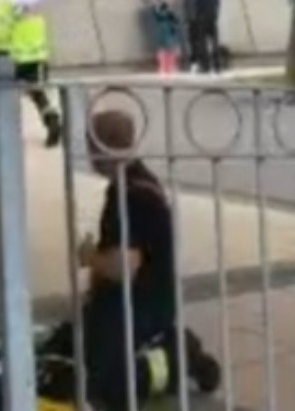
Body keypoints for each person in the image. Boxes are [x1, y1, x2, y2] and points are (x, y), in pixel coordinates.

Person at [36, 109, 220, 409]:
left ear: (105, 147)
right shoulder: (132, 184)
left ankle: (180, 355)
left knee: (109, 385)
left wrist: (89, 257)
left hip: (141, 306)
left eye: (92, 146)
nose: (90, 156)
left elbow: (123, 266)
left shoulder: (132, 194)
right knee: (66, 346)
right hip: (127, 301)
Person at [0, 0, 62, 147]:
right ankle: (52, 121)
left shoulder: (4, 0)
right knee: (39, 94)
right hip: (37, 53)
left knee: (4, 97)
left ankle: (7, 136)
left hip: (13, 56)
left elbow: (1, 29)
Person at [185, 0, 221, 74]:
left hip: (202, 19)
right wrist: (214, 14)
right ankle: (217, 65)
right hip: (212, 18)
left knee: (203, 43)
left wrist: (196, 17)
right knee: (214, 42)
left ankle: (206, 66)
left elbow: (196, 5)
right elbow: (217, 2)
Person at [147, 0, 181, 75]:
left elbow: (173, 18)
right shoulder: (161, 8)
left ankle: (165, 66)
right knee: (168, 48)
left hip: (163, 28)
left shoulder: (158, 8)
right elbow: (174, 18)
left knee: (165, 48)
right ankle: (168, 65)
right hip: (166, 28)